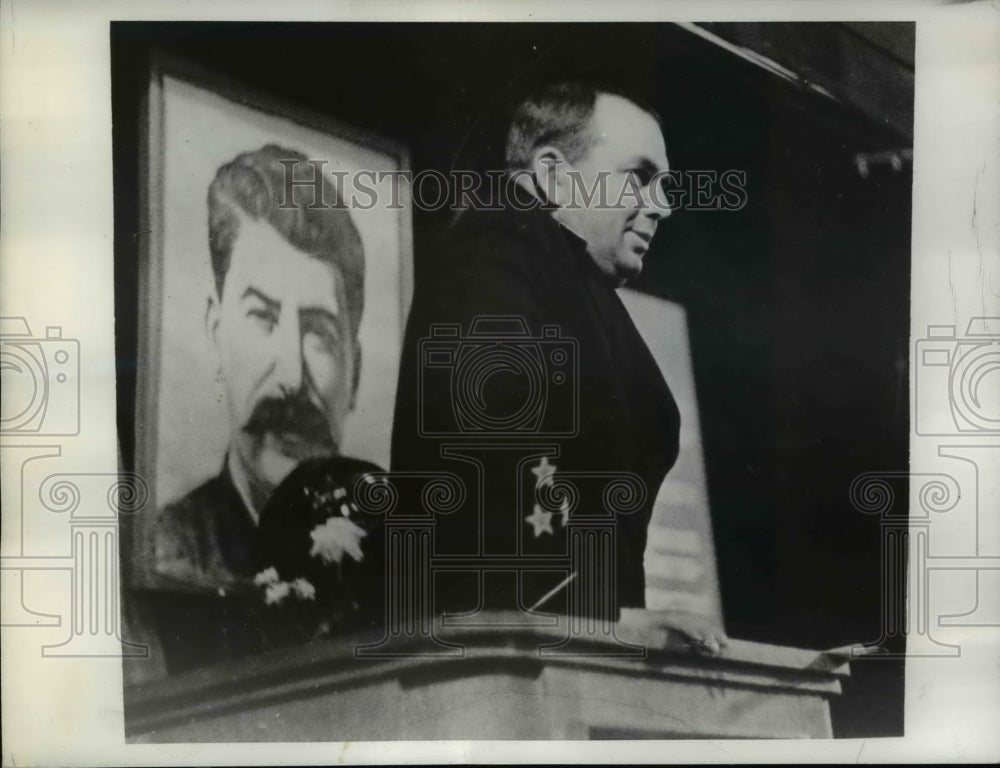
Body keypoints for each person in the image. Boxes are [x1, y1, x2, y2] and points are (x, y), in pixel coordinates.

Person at [391, 82, 724, 650]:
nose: (662, 205)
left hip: (565, 644)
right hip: (506, 651)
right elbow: (493, 458)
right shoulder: (494, 249)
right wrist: (602, 618)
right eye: (640, 177)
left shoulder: (568, 280)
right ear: (552, 173)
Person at [128, 145, 378, 677]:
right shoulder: (168, 545)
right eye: (262, 317)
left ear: (355, 372)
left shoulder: (392, 565)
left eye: (319, 333)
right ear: (217, 335)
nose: (290, 374)